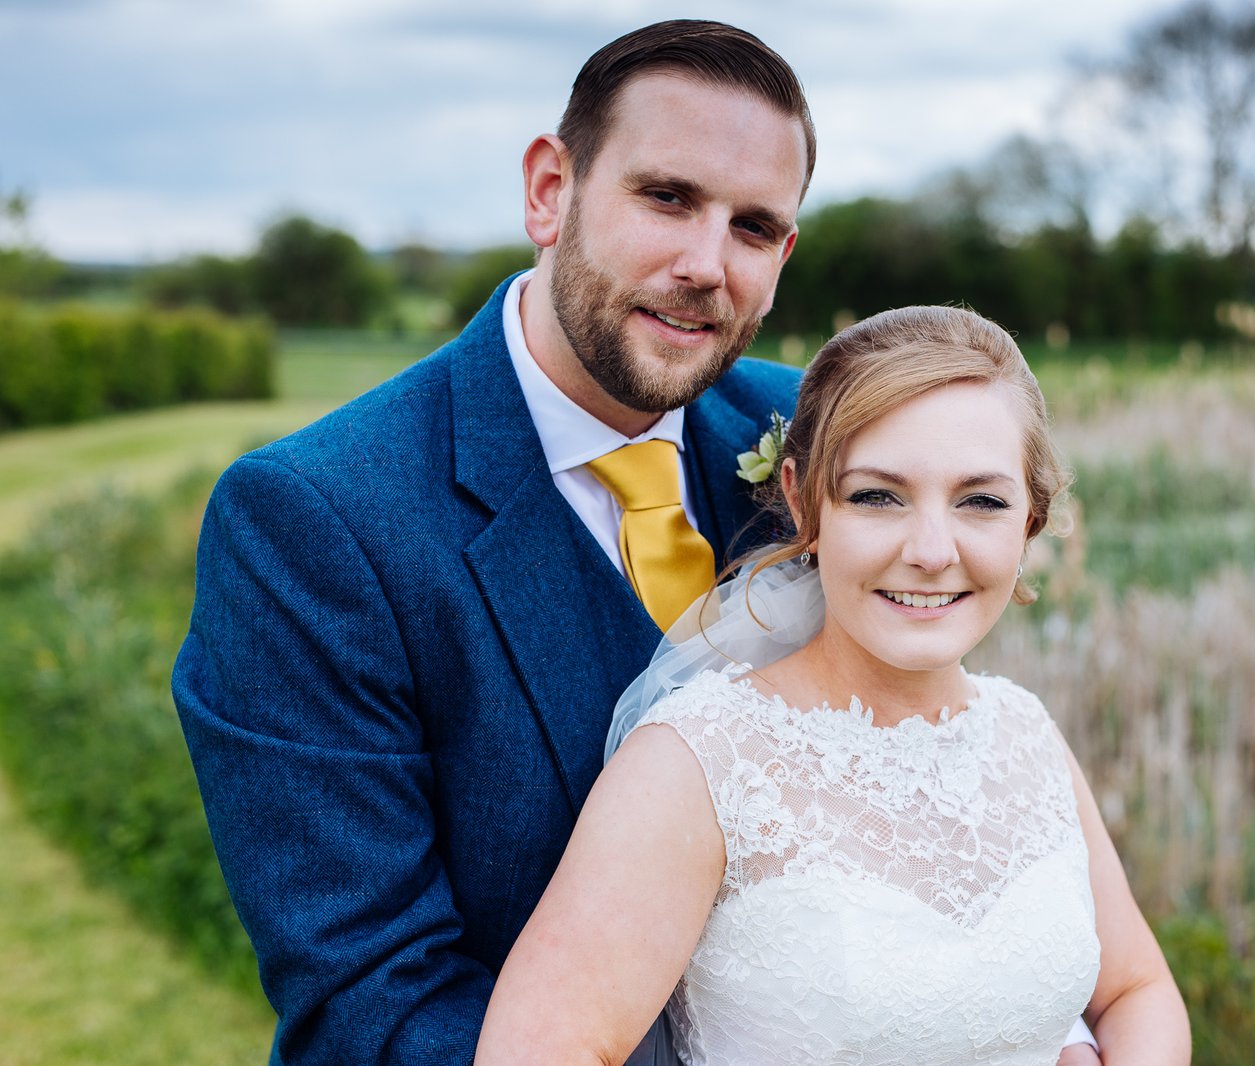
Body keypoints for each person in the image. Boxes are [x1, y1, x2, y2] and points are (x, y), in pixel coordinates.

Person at [172, 20, 817, 1065]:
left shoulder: (821, 444)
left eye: (752, 226)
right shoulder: (310, 522)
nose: (706, 263)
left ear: (782, 256)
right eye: (666, 197)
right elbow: (374, 1002)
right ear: (548, 192)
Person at [474, 306, 1189, 1064]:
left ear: (1030, 523)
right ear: (805, 499)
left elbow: (1136, 990)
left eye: (981, 501)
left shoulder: (1027, 734)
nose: (931, 550)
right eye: (878, 496)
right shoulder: (698, 763)